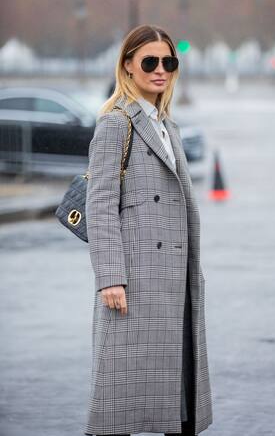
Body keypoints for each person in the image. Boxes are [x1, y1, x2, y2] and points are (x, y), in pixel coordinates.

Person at [84, 24, 213, 436]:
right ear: (128, 65)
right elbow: (100, 205)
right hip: (133, 281)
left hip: (176, 280)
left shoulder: (168, 126)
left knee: (174, 402)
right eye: (150, 61)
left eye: (169, 62)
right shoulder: (115, 124)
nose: (161, 70)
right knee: (119, 402)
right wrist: (110, 279)